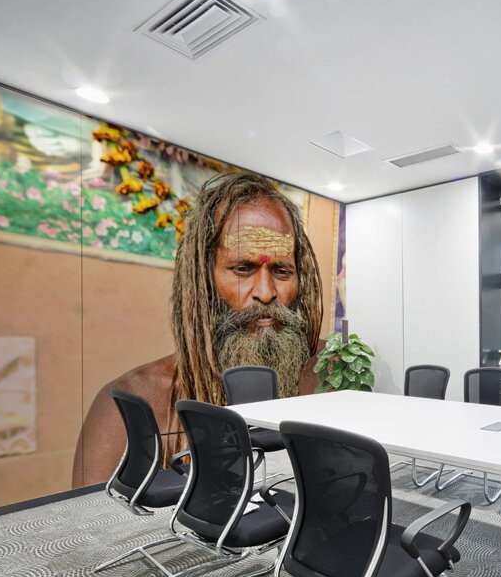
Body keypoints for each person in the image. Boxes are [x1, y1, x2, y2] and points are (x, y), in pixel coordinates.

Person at [72, 171, 323, 487]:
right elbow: (92, 530)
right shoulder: (137, 403)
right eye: (242, 269)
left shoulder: (324, 373)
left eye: (282, 271)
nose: (266, 291)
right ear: (202, 278)